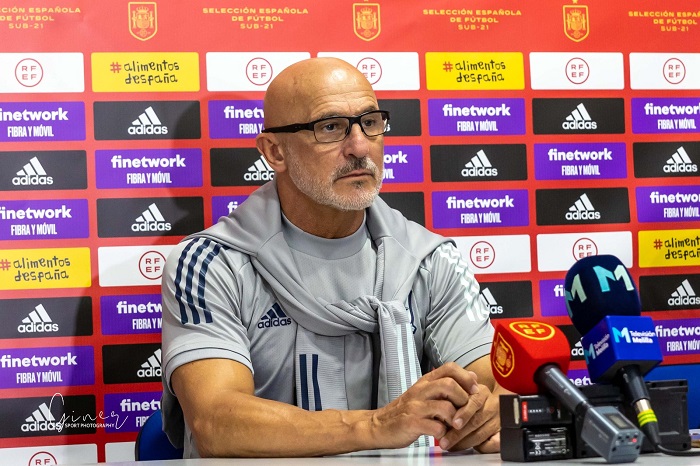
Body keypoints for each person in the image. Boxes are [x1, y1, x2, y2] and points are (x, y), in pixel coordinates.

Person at [160, 57, 506, 458]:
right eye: (330, 127)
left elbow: (491, 386)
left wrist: (487, 415)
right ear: (275, 152)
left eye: (370, 123)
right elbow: (216, 422)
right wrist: (378, 425)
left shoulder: (430, 259)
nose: (359, 147)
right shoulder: (210, 264)